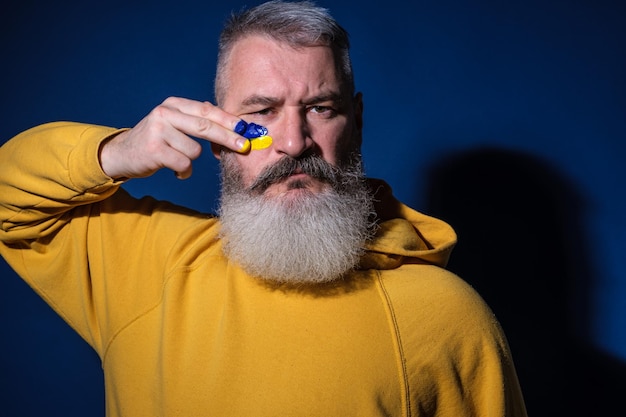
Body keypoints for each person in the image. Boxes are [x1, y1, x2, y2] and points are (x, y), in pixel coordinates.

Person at [0, 1, 527, 415]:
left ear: (356, 120)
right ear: (214, 132)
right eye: (261, 112)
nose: (294, 143)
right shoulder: (149, 266)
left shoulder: (449, 317)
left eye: (321, 108)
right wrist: (115, 153)